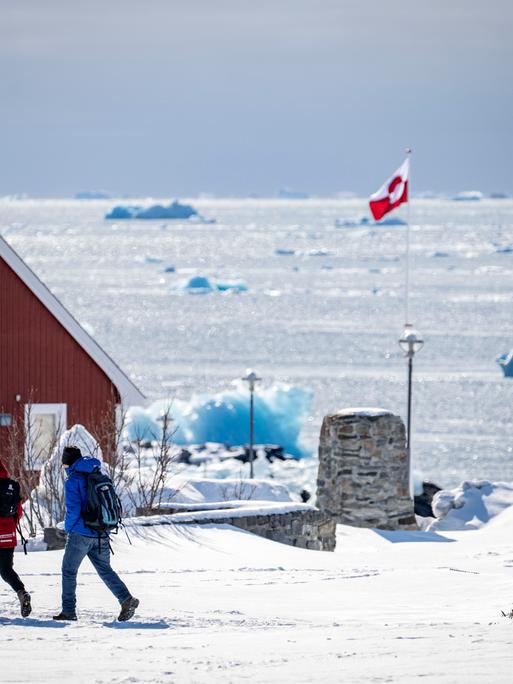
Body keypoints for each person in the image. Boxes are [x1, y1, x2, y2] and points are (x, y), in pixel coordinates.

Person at [53, 446, 139, 622]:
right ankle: (126, 599)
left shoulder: (73, 480)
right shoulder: (99, 474)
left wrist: (68, 529)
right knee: (105, 569)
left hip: (80, 534)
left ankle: (68, 611)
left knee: (69, 571)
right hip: (101, 533)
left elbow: (73, 510)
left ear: (68, 462)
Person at [0, 458, 31, 617]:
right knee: (6, 570)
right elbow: (18, 511)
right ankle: (21, 593)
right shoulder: (11, 485)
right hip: (8, 536)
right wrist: (9, 526)